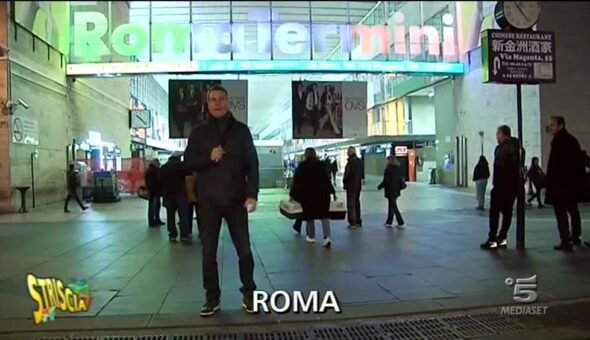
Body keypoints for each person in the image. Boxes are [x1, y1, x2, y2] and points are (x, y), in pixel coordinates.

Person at [184, 85, 259, 316]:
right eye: (213, 99)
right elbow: (188, 163)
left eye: (221, 99)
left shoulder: (241, 131)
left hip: (236, 201)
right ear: (207, 103)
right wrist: (209, 157)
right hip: (209, 202)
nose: (217, 103)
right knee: (208, 253)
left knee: (244, 251)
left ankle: (249, 293)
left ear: (228, 102)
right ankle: (212, 297)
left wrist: (252, 195)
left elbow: (252, 165)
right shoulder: (199, 132)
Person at [545, 116, 588, 251]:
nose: (550, 127)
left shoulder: (560, 141)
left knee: (561, 212)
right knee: (573, 210)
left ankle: (565, 240)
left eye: (552, 125)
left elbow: (558, 166)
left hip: (561, 185)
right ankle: (575, 237)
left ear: (560, 126)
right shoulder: (570, 140)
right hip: (570, 185)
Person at [480, 125, 520, 250]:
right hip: (513, 185)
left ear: (502, 134)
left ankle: (492, 238)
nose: (496, 136)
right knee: (507, 212)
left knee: (495, 212)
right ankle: (502, 237)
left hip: (501, 185)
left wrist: (496, 184)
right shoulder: (517, 147)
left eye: (497, 134)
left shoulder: (501, 148)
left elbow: (499, 167)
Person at [290, 148, 335, 247]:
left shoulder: (302, 166)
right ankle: (327, 237)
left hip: (308, 196)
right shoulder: (321, 165)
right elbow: (327, 179)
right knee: (324, 216)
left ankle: (311, 236)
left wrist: (292, 194)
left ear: (305, 155)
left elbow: (296, 181)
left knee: (309, 216)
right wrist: (333, 192)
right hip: (322, 195)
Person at [161, 151, 191, 243]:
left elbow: (160, 181)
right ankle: (184, 235)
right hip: (181, 194)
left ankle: (172, 235)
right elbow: (189, 178)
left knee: (170, 216)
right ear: (179, 157)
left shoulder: (164, 167)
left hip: (168, 194)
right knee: (183, 215)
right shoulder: (183, 166)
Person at [378, 156, 405, 228]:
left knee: (393, 206)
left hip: (390, 190)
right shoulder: (399, 168)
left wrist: (380, 186)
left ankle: (401, 221)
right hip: (396, 190)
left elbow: (386, 180)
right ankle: (389, 222)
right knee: (391, 206)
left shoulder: (388, 169)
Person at [343, 147, 364, 229]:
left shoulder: (351, 162)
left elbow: (348, 174)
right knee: (356, 203)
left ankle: (352, 222)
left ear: (350, 152)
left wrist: (344, 181)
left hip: (351, 185)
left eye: (348, 151)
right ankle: (358, 221)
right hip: (358, 185)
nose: (347, 153)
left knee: (351, 204)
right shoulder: (359, 161)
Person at [145, 159, 165, 227]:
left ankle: (156, 219)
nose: (159, 164)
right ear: (154, 163)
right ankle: (152, 221)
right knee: (153, 207)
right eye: (158, 163)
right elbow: (151, 183)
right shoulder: (152, 170)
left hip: (155, 192)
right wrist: (151, 191)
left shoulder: (153, 170)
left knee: (156, 207)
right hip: (154, 192)